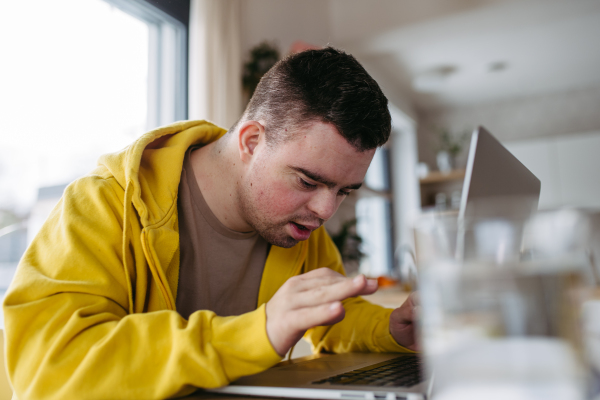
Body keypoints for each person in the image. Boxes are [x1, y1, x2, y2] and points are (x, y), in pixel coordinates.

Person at [3, 47, 418, 399]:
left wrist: (391, 328)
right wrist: (256, 333)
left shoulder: (297, 222)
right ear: (252, 142)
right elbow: (47, 370)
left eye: (344, 191)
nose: (327, 210)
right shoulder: (102, 204)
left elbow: (331, 316)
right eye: (309, 181)